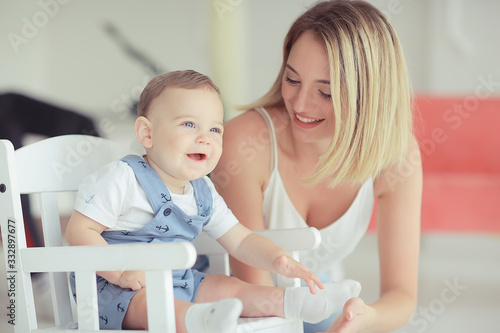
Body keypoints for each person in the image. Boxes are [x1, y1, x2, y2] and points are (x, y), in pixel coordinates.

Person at [64, 70, 362, 332]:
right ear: (147, 133)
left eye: (215, 129)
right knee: (149, 303)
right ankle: (198, 320)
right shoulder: (123, 178)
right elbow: (79, 231)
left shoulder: (202, 190)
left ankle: (295, 302)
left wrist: (278, 259)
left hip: (181, 281)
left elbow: (242, 241)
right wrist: (120, 272)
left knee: (227, 285)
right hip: (120, 293)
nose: (205, 137)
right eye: (189, 125)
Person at [211, 1, 422, 332]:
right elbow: (256, 290)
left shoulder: (397, 156)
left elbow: (402, 296)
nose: (300, 104)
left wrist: (366, 318)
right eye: (292, 80)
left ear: (369, 95)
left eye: (325, 92)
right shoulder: (245, 144)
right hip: (229, 301)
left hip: (313, 293)